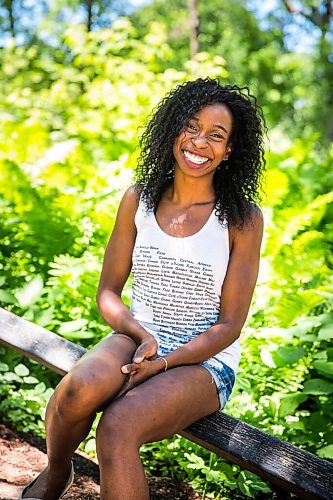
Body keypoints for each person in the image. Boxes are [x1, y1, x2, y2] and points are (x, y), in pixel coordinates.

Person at [20, 77, 265, 500]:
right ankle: (58, 472)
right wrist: (141, 335)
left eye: (216, 135)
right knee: (78, 389)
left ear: (230, 151)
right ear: (173, 130)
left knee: (117, 425)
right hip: (139, 338)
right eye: (191, 126)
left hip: (205, 360)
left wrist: (166, 362)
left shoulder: (242, 219)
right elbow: (108, 293)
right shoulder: (140, 200)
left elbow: (229, 325)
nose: (199, 142)